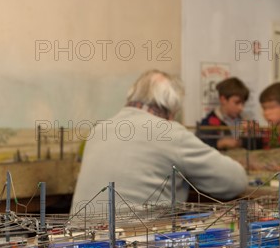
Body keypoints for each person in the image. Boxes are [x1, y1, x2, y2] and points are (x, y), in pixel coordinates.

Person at [70, 70, 248, 216]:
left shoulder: (99, 129)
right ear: (173, 106)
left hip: (74, 246)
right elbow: (236, 180)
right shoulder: (170, 133)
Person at [198, 77, 250, 150]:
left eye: (243, 103)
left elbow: (257, 145)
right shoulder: (208, 122)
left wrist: (246, 138)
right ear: (223, 100)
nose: (241, 107)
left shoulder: (246, 120)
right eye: (237, 103)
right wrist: (219, 144)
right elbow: (200, 146)